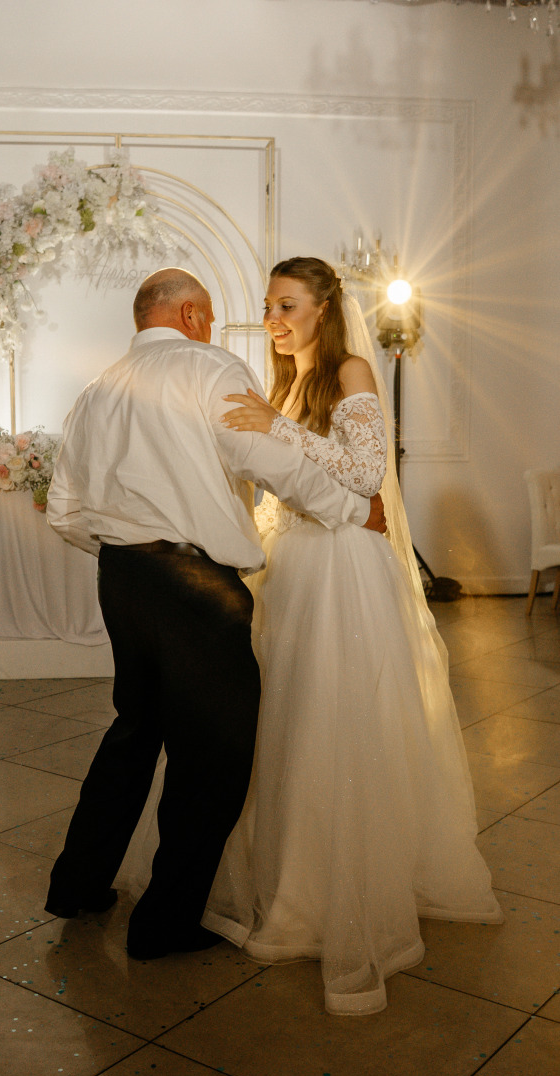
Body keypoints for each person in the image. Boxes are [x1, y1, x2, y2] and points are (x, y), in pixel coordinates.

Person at [117, 258, 502, 1010]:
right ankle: (279, 873)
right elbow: (277, 483)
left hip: (341, 571)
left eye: (287, 305)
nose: (273, 318)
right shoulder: (279, 381)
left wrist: (280, 426)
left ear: (324, 309)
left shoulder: (352, 369)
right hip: (289, 566)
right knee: (273, 727)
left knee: (332, 720)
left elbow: (365, 476)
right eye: (267, 305)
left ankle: (339, 891)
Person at [43, 267, 386, 962]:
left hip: (122, 574)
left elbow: (65, 508)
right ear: (194, 315)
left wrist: (123, 549)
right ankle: (165, 926)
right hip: (194, 581)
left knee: (134, 731)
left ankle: (76, 886)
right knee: (214, 758)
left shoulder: (95, 390)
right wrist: (354, 508)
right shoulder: (208, 368)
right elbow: (269, 461)